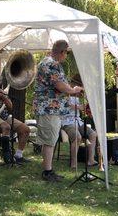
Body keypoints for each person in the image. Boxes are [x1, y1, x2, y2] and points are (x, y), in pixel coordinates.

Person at [33, 40, 83, 182]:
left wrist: (71, 90)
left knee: (49, 139)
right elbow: (60, 86)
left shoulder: (46, 62)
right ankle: (47, 172)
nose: (66, 56)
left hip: (47, 108)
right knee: (50, 140)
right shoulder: (53, 64)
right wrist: (73, 90)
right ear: (62, 52)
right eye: (66, 53)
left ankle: (47, 169)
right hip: (49, 108)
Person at [60, 74, 98, 169]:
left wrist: (88, 109)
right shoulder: (64, 92)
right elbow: (69, 106)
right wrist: (80, 107)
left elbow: (83, 108)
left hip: (78, 121)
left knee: (93, 134)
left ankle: (90, 160)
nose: (80, 88)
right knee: (77, 137)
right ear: (73, 84)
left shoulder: (79, 95)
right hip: (67, 122)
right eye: (79, 86)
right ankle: (73, 163)